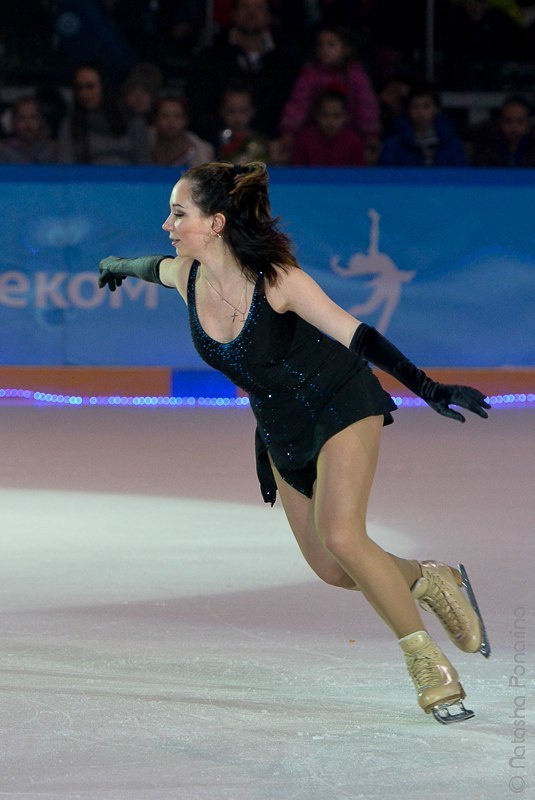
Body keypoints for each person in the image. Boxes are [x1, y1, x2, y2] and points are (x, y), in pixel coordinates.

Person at [97, 161, 491, 724]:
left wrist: (426, 387)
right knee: (332, 569)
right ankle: (431, 579)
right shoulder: (186, 276)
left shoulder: (276, 279)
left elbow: (357, 334)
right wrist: (115, 265)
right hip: (282, 429)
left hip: (338, 403)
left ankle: (429, 664)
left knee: (343, 537)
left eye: (178, 213)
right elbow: (145, 266)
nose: (167, 224)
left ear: (215, 223)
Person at [185, 0, 301, 144]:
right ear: (233, 14)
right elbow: (199, 105)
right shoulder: (210, 56)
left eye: (258, 8)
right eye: (245, 7)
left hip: (272, 148)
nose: (251, 13)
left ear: (269, 16)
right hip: (215, 148)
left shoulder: (286, 60)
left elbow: (291, 105)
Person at [279, 26, 380, 154]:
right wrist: (289, 131)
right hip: (315, 135)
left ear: (346, 49)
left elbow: (366, 105)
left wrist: (370, 134)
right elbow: (298, 104)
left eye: (331, 45)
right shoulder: (310, 75)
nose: (324, 49)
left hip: (349, 134)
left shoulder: (356, 75)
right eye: (321, 45)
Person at [57, 63, 151, 165]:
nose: (84, 93)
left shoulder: (133, 121)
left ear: (104, 86)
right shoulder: (70, 125)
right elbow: (66, 167)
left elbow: (144, 164)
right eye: (80, 88)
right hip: (87, 180)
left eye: (90, 87)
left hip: (129, 180)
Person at [379, 83, 467, 167]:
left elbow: (462, 173)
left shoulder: (451, 143)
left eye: (426, 106)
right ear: (408, 110)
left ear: (436, 109)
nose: (421, 112)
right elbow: (385, 173)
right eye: (415, 106)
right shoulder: (395, 144)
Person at [291, 89, 364, 166]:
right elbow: (297, 172)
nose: (330, 121)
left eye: (337, 116)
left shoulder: (354, 142)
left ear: (346, 117)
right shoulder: (304, 139)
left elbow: (358, 174)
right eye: (325, 115)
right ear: (316, 115)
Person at [150, 95, 214, 168]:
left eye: (177, 116)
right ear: (155, 119)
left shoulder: (202, 152)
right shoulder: (144, 144)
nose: (171, 121)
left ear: (186, 120)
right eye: (165, 116)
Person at [470, 95, 535, 167]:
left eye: (520, 121)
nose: (513, 127)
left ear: (529, 123)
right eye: (508, 121)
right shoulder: (487, 146)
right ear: (500, 121)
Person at [216, 84, 271, 164]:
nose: (237, 118)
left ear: (252, 111)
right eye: (231, 111)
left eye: (243, 111)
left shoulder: (259, 141)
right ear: (221, 111)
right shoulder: (216, 141)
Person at [0, 97, 56, 164]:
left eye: (33, 118)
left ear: (41, 121)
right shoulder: (3, 150)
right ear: (13, 122)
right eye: (22, 118)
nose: (28, 124)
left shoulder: (52, 150)